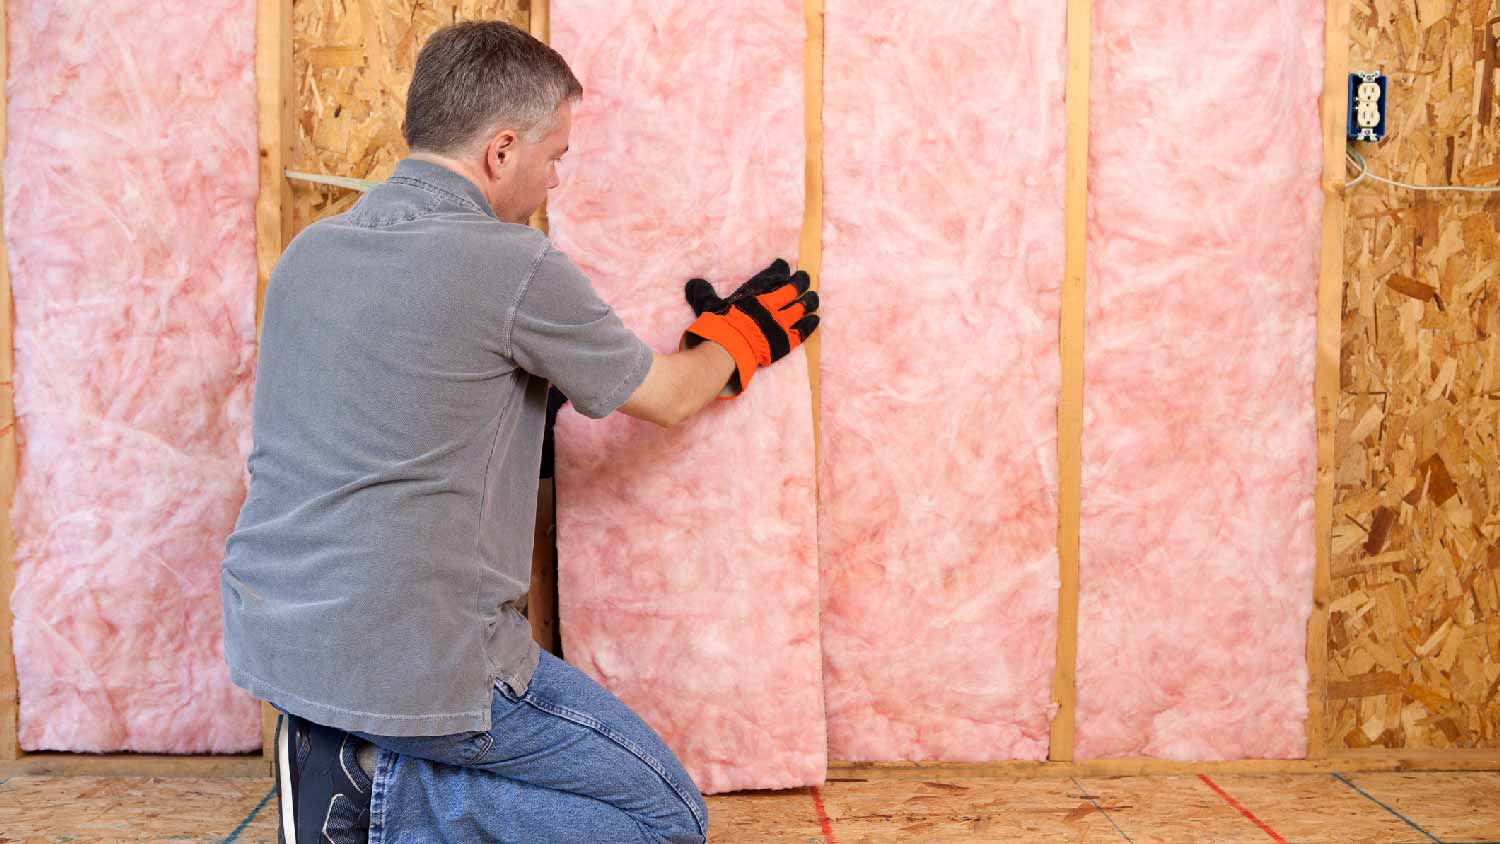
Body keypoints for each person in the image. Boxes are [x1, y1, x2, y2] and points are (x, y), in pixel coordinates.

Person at [218, 19, 820, 844]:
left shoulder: (308, 256)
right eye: (556, 156)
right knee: (667, 820)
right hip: (430, 669)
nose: (557, 179)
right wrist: (738, 340)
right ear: (501, 151)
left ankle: (343, 744)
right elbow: (673, 396)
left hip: (280, 644)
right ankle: (373, 792)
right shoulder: (513, 265)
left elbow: (402, 396)